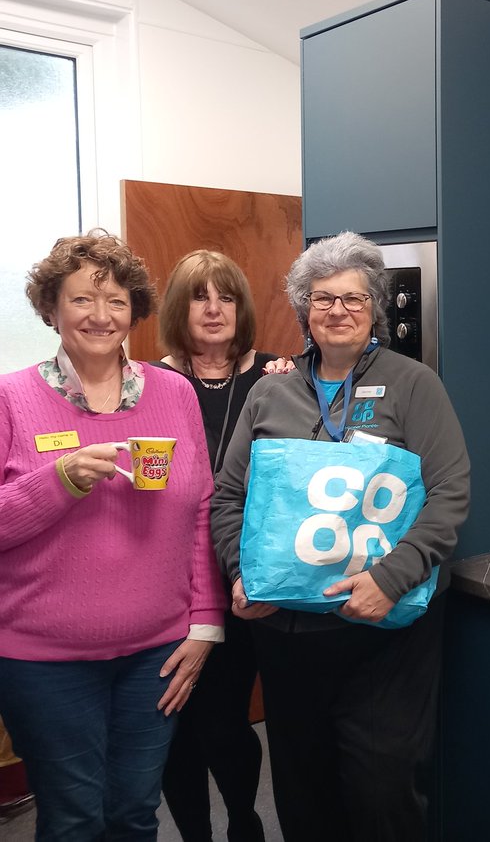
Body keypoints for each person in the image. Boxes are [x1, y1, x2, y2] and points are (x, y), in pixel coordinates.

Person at [210, 231, 470, 841]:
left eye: (353, 298)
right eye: (323, 299)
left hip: (382, 632)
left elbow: (450, 494)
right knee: (302, 790)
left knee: (382, 794)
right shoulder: (271, 392)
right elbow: (228, 497)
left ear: (374, 306)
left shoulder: (414, 385)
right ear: (304, 310)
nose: (338, 311)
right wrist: (240, 572)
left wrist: (390, 578)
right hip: (288, 633)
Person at [0, 230, 226, 840]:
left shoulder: (174, 392)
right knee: (73, 820)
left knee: (133, 814)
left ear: (135, 311)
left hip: (156, 653)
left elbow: (201, 510)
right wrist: (61, 481)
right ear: (50, 308)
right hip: (44, 661)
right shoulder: (10, 399)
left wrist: (205, 623)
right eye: (81, 300)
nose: (101, 317)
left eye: (117, 301)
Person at [155, 250, 281, 842]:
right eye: (199, 296)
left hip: (247, 576)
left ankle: (245, 823)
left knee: (228, 725)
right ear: (179, 309)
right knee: (174, 725)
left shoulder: (279, 378)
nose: (212, 309)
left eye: (225, 296)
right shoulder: (150, 383)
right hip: (171, 583)